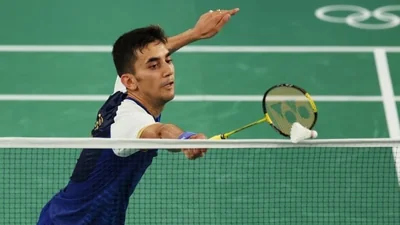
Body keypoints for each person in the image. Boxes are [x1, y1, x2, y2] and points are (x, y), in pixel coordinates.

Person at [37, 8, 240, 225]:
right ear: (131, 81)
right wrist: (185, 139)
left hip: (64, 214)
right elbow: (160, 132)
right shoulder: (129, 122)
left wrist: (195, 33)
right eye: (154, 66)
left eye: (168, 61)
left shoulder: (124, 88)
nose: (168, 71)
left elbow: (144, 56)